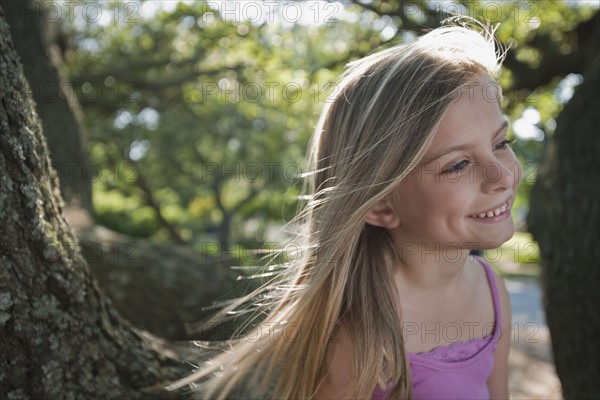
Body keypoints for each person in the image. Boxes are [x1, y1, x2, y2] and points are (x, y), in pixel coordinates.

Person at [167, 19, 519, 400]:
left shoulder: (491, 288)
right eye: (457, 165)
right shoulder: (356, 340)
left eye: (501, 142)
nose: (500, 175)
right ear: (383, 206)